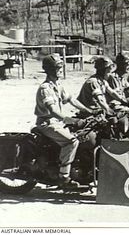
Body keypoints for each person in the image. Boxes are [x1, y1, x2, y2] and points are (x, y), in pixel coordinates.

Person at [34, 54, 94, 189]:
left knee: (82, 135)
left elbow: (72, 99)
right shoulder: (45, 89)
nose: (61, 70)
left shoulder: (57, 85)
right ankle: (64, 177)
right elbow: (53, 111)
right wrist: (70, 120)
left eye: (61, 66)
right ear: (49, 70)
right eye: (57, 67)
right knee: (72, 141)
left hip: (57, 123)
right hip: (47, 123)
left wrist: (88, 111)